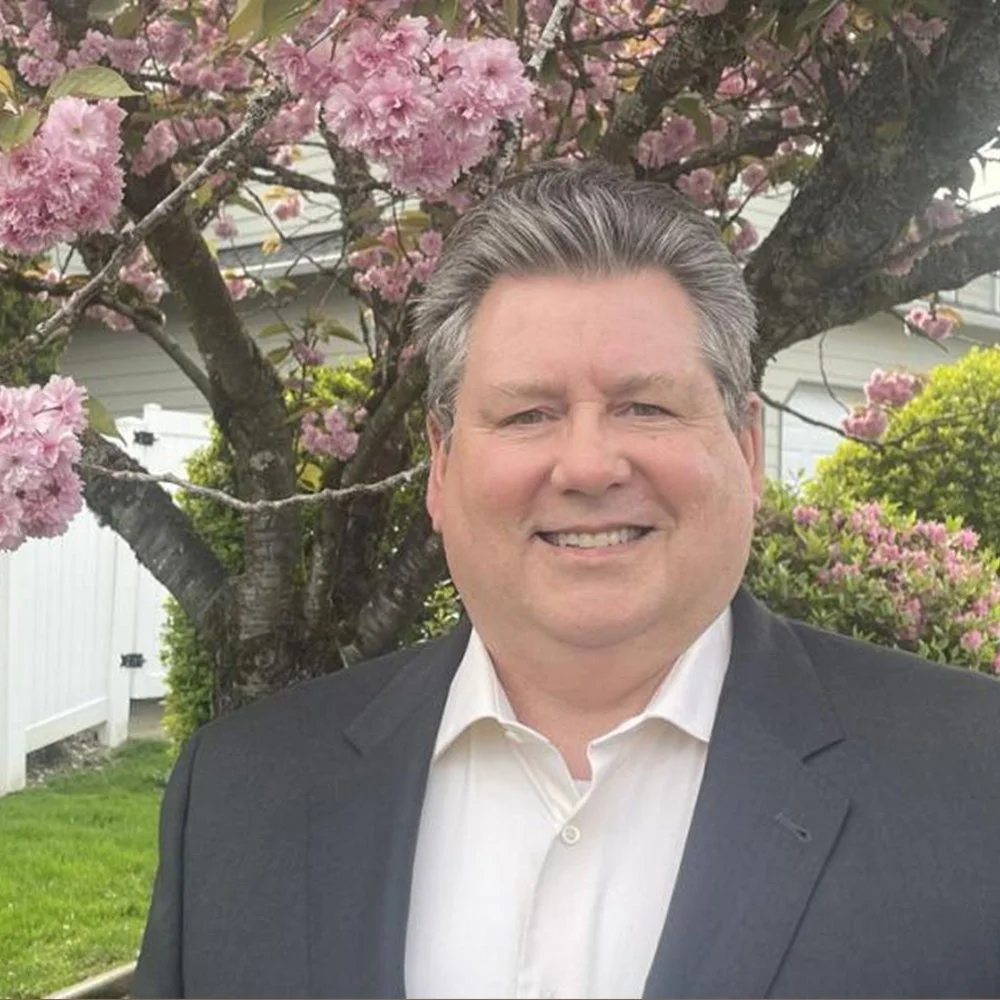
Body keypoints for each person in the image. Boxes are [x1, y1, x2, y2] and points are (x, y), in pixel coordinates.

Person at [132, 163, 1000, 1000]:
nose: (587, 464)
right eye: (528, 414)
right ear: (440, 467)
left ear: (745, 449)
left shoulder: (973, 780)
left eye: (645, 407)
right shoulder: (237, 797)